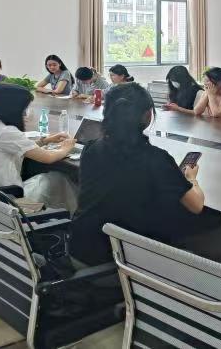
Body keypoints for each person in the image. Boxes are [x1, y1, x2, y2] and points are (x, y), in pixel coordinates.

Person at [70, 83, 207, 265]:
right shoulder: (157, 159)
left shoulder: (91, 148)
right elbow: (196, 205)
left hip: (80, 249)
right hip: (125, 263)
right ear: (148, 115)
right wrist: (191, 179)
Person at [0, 84, 79, 210]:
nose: (26, 113)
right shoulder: (6, 132)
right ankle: (68, 217)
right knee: (57, 179)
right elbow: (48, 158)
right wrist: (67, 147)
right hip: (1, 201)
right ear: (14, 109)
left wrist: (45, 141)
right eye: (24, 108)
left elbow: (17, 147)